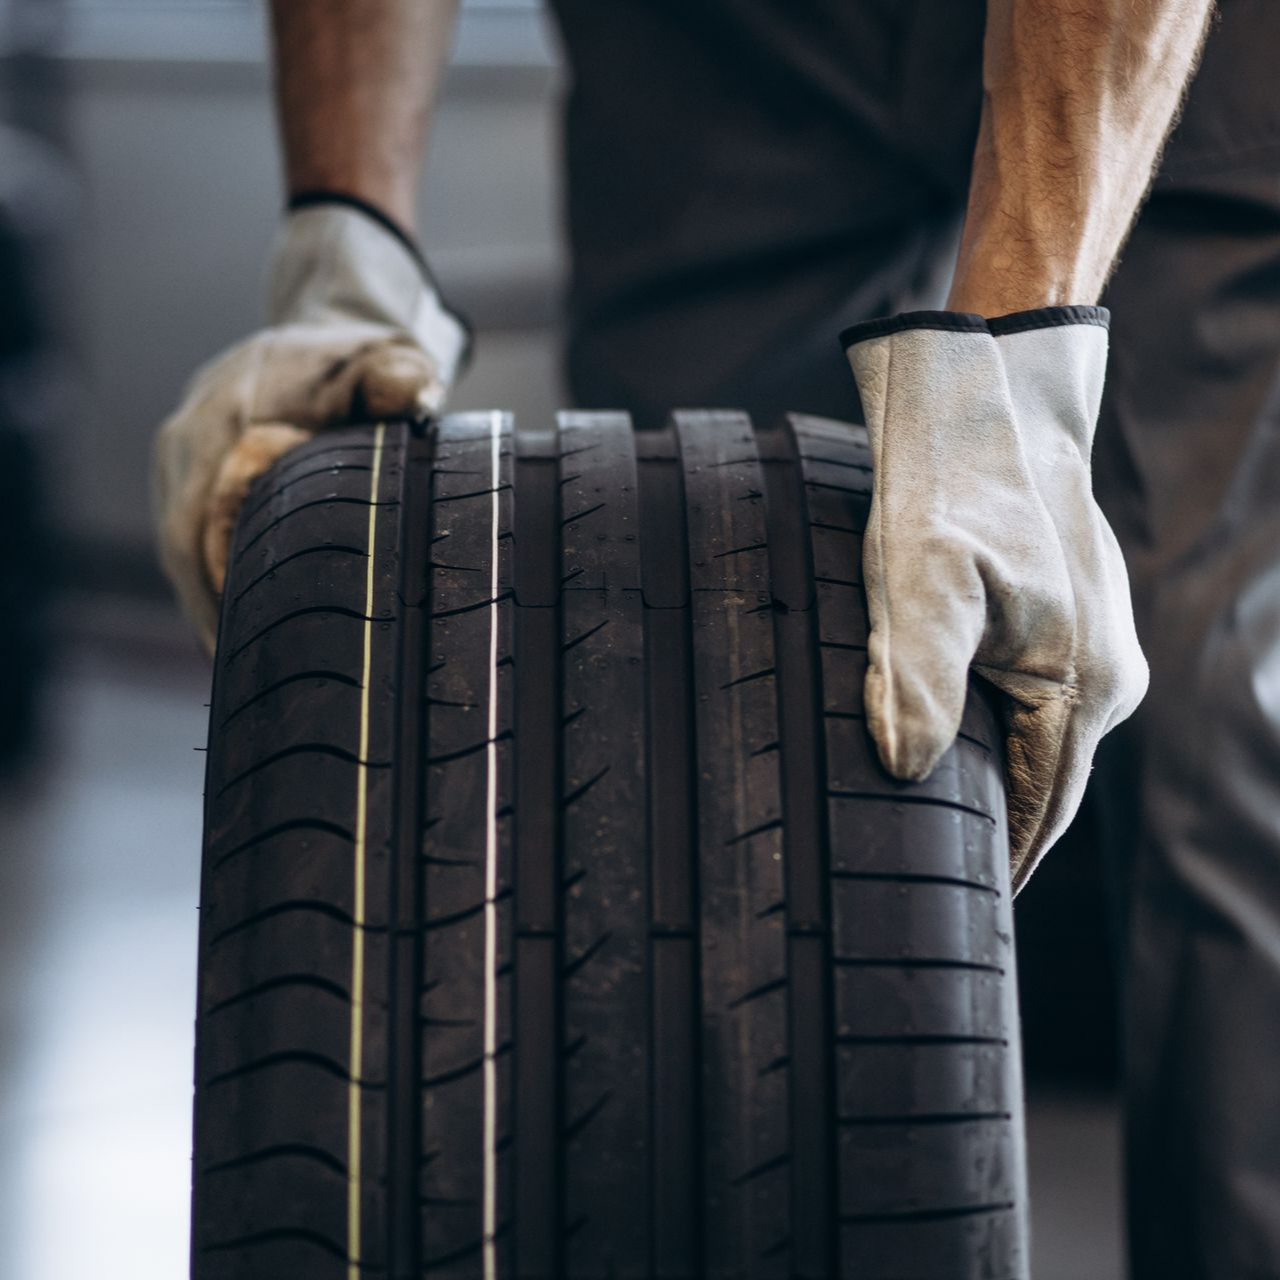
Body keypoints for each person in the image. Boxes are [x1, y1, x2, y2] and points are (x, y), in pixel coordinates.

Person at [154, 1, 1280, 1274]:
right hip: (729, 38)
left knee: (1208, 723)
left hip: (1180, 45)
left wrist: (1015, 357)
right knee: (671, 681)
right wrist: (346, 230)